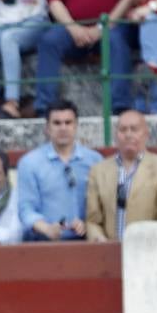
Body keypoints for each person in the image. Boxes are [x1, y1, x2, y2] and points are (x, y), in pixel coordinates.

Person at [86, 109, 157, 241]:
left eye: (134, 129)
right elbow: (93, 220)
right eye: (123, 130)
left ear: (146, 134)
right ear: (116, 135)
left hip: (148, 250)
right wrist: (99, 240)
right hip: (108, 251)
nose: (128, 134)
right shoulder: (98, 170)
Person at [17, 99, 101, 241]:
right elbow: (26, 208)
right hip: (43, 243)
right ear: (47, 128)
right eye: (57, 123)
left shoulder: (94, 160)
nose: (63, 128)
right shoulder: (29, 163)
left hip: (86, 241)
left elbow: (102, 205)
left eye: (68, 122)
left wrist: (88, 224)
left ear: (76, 126)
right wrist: (46, 228)